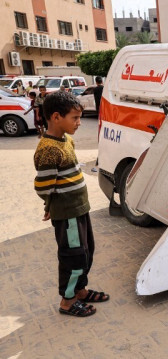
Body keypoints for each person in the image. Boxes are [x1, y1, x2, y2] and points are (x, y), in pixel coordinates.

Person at [33, 91, 110, 318]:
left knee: (86, 252)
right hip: (67, 215)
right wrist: (50, 207)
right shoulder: (48, 149)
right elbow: (43, 186)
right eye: (74, 118)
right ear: (56, 117)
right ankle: (67, 301)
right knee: (73, 256)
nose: (79, 123)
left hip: (80, 209)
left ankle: (81, 291)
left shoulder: (67, 140)